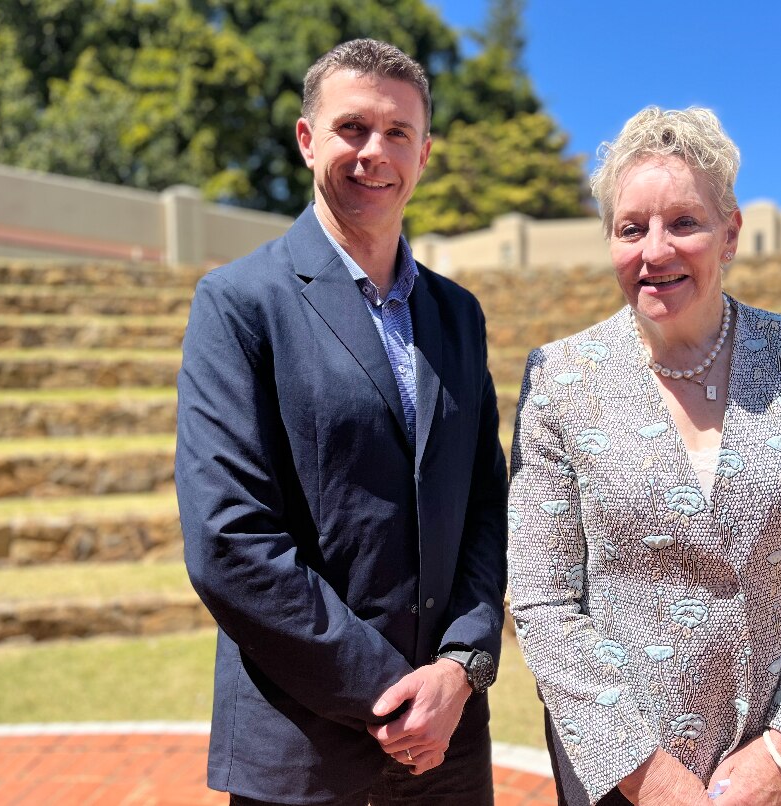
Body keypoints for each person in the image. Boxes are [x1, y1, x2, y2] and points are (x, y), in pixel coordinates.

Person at [507, 106, 781, 806]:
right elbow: (542, 596)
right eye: (630, 228)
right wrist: (647, 776)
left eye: (683, 223)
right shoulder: (559, 379)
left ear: (730, 233)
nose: (654, 251)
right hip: (620, 776)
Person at [175, 38, 508, 806]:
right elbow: (228, 540)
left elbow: (485, 506)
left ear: (424, 154)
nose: (374, 152)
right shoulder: (238, 303)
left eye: (397, 133)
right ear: (306, 140)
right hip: (304, 755)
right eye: (351, 127)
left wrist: (459, 668)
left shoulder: (458, 317)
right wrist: (391, 692)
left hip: (447, 749)